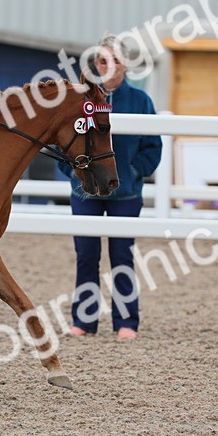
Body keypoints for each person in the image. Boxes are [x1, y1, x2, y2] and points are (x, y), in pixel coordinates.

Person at [59, 34, 162, 340]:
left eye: (115, 60)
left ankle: (126, 322)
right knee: (87, 255)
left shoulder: (141, 101)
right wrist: (74, 173)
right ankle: (84, 320)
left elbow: (152, 148)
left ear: (126, 64)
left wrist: (132, 172)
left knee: (122, 255)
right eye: (103, 60)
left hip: (126, 193)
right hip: (86, 192)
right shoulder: (80, 98)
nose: (108, 65)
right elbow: (63, 141)